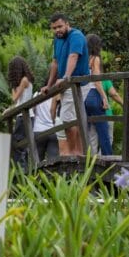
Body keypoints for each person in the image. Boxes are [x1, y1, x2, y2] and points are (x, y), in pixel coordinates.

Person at [45, 13, 90, 156]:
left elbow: (73, 56)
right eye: (54, 28)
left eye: (60, 26)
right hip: (67, 85)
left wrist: (66, 77)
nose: (57, 30)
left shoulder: (76, 36)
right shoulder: (58, 40)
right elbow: (55, 63)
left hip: (78, 83)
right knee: (72, 119)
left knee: (67, 119)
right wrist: (49, 85)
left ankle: (75, 153)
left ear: (67, 24)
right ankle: (77, 152)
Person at [84, 34, 113, 155]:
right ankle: (109, 160)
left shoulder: (83, 59)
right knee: (103, 131)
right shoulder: (95, 58)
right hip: (94, 95)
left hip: (84, 96)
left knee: (90, 132)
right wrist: (104, 97)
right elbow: (96, 80)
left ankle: (91, 160)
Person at [7, 57, 35, 167]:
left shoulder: (23, 80)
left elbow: (14, 98)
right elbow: (18, 102)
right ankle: (24, 169)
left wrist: (13, 87)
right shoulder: (26, 79)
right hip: (26, 115)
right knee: (22, 145)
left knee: (18, 145)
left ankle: (20, 172)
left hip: (23, 116)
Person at [32, 87, 60, 161]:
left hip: (38, 129)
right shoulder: (57, 94)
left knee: (37, 160)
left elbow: (33, 111)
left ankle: (36, 172)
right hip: (53, 130)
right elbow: (54, 110)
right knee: (53, 160)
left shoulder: (37, 94)